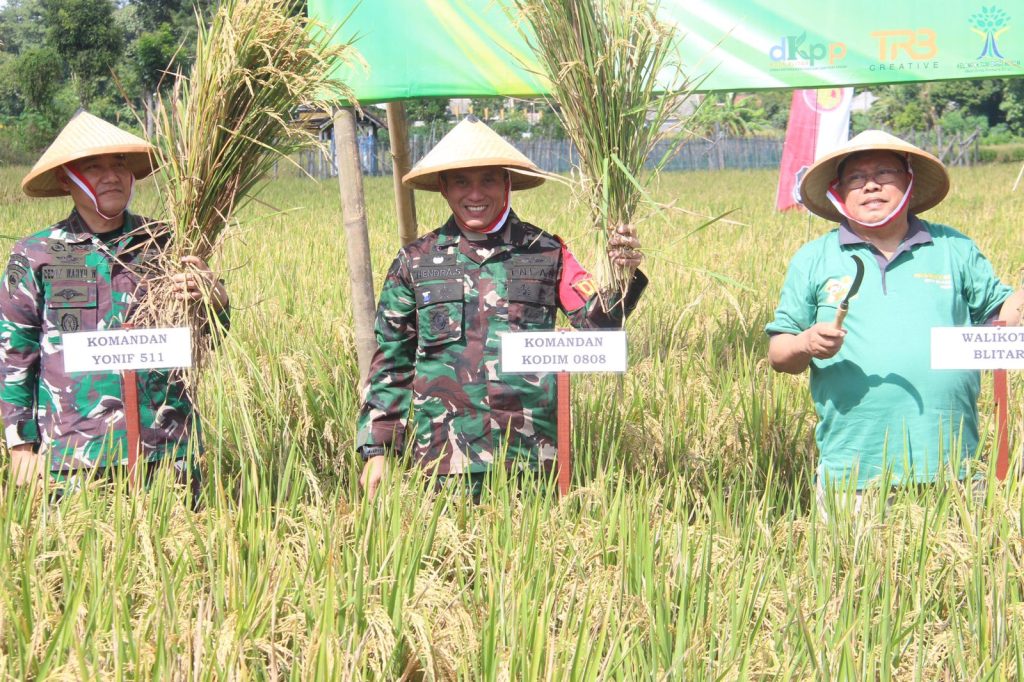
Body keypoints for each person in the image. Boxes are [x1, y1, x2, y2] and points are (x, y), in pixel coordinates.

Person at [358, 116, 647, 496]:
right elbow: (392, 360)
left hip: (532, 460)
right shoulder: (416, 261)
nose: (475, 194)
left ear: (507, 183)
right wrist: (378, 448)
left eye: (488, 180)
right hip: (444, 461)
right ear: (443, 187)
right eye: (461, 181)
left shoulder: (546, 252)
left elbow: (599, 328)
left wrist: (622, 273)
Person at [766, 130, 1024, 504]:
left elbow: (1001, 324)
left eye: (884, 173)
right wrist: (806, 343)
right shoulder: (814, 258)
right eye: (856, 177)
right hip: (853, 473)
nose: (870, 185)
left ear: (909, 182)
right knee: (852, 547)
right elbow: (779, 355)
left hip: (953, 469)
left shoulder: (953, 248)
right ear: (839, 192)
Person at [1, 110, 229, 495]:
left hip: (167, 451)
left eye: (119, 164)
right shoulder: (36, 253)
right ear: (67, 178)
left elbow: (207, 338)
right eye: (94, 166)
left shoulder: (169, 244)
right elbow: (13, 354)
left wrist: (216, 299)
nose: (111, 176)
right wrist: (21, 445)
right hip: (73, 457)